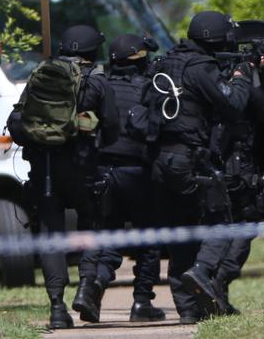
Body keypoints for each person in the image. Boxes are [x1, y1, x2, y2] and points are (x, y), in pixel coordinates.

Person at [147, 11, 257, 323]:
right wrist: (242, 75)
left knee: (181, 233)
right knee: (222, 220)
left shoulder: (165, 63)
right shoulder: (201, 67)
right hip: (188, 159)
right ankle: (203, 270)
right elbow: (233, 105)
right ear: (217, 39)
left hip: (159, 161)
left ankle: (187, 312)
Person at [7, 24, 119, 329]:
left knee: (51, 236)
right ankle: (86, 287)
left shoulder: (40, 76)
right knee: (93, 225)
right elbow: (112, 129)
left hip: (43, 169)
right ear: (92, 50)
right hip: (82, 168)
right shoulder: (97, 81)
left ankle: (57, 307)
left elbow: (17, 121)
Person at [72, 34, 166, 323]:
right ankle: (141, 304)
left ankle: (95, 284)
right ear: (139, 58)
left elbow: (84, 126)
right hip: (138, 174)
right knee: (148, 239)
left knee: (109, 234)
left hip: (103, 173)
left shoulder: (101, 85)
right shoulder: (152, 87)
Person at [211, 53, 264, 316]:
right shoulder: (235, 77)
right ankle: (219, 281)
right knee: (246, 224)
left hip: (212, 163)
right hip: (238, 165)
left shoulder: (205, 72)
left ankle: (218, 296)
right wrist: (252, 74)